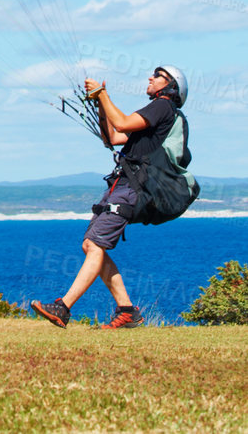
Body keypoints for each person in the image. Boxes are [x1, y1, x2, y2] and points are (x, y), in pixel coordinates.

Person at [31, 64, 188, 330]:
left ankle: (63, 307)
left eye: (158, 76)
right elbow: (114, 136)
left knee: (95, 245)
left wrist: (103, 94)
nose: (150, 77)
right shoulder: (154, 112)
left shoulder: (163, 106)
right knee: (91, 246)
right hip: (120, 184)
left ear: (170, 86)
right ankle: (127, 311)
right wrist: (100, 105)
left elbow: (124, 122)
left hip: (132, 187)